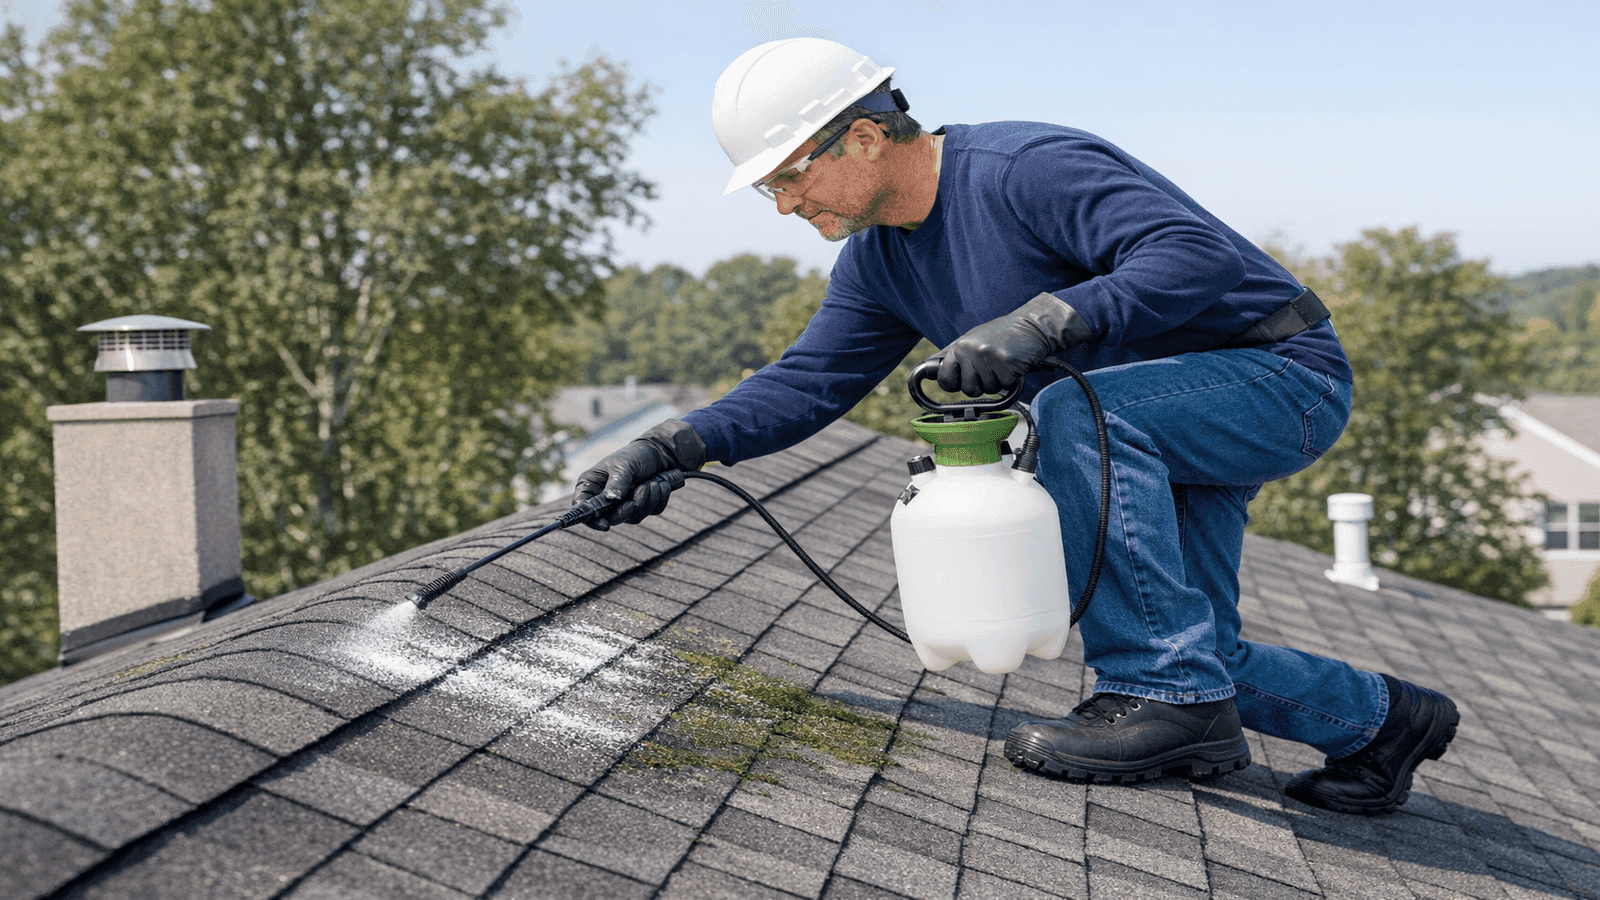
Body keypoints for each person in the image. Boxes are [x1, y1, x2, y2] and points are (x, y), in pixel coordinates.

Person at [572, 38, 1459, 815]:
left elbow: (1196, 257)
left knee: (1072, 416)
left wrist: (1041, 323)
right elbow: (808, 381)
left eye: (787, 176)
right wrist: (671, 446)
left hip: (1279, 377)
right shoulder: (878, 260)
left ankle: (1165, 698)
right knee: (1194, 639)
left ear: (867, 136)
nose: (783, 205)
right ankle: (1380, 722)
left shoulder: (1025, 168)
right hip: (1146, 427)